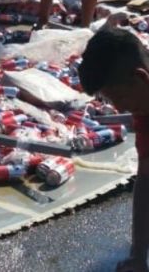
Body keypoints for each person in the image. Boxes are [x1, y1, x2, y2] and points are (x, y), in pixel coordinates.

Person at [77, 25, 149, 272]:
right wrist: (138, 255)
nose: (118, 109)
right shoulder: (145, 109)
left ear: (140, 79)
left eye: (118, 97)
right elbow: (146, 179)